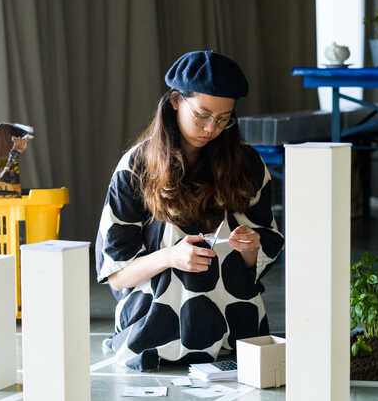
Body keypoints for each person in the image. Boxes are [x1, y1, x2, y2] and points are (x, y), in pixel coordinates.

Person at [95, 50, 284, 371]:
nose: (211, 128)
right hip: (154, 319)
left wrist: (250, 248)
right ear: (174, 101)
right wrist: (171, 257)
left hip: (233, 320)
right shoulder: (136, 166)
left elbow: (262, 253)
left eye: (223, 119)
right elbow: (117, 274)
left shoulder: (247, 163)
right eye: (202, 115)